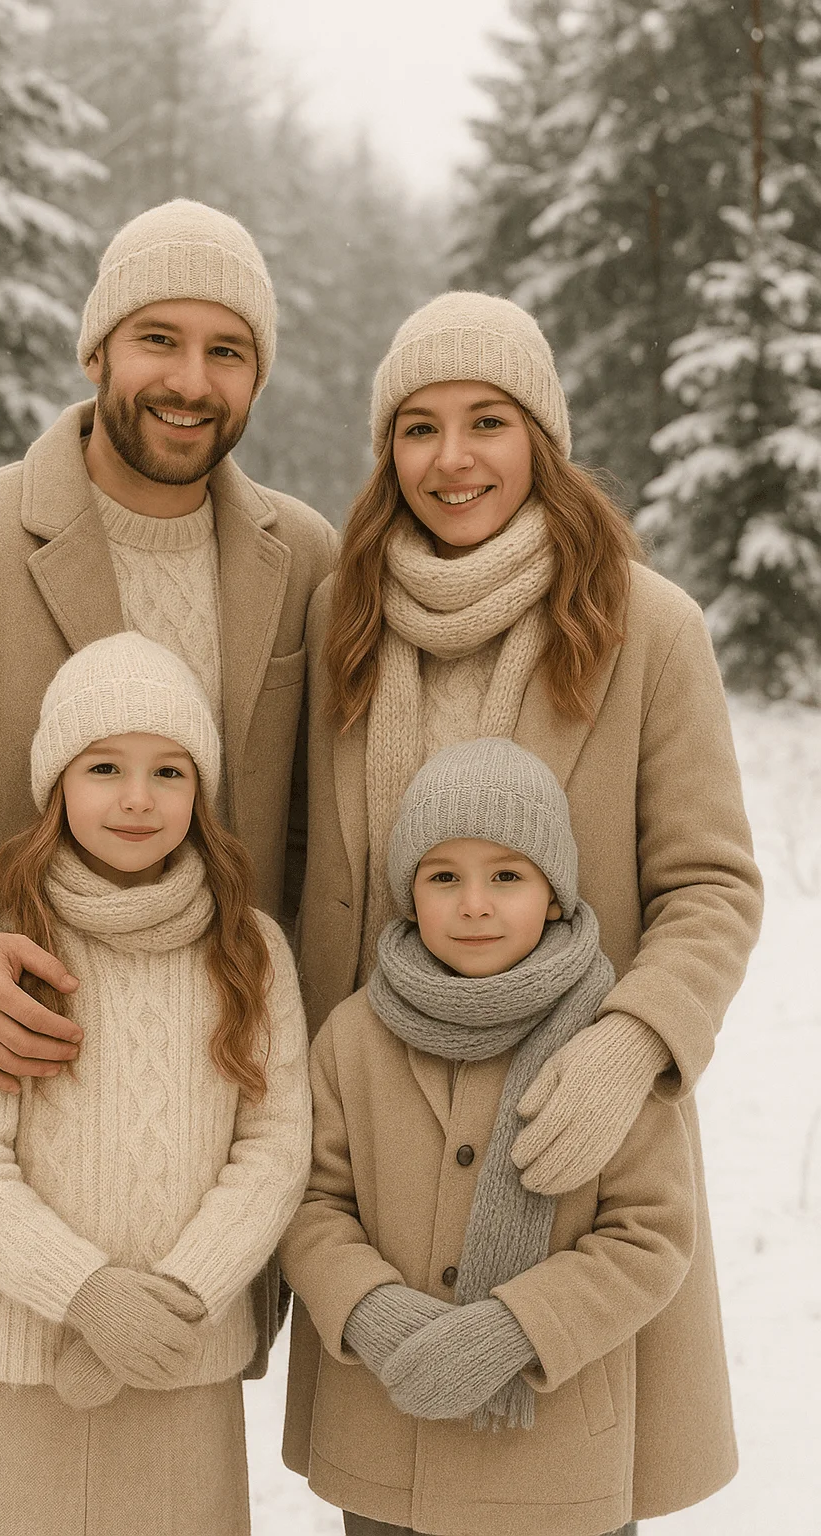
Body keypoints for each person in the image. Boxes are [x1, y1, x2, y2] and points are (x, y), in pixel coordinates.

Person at [0, 198, 335, 1536]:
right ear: (97, 349)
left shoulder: (307, 562)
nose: (191, 380)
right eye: (160, 338)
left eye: (229, 351)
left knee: (173, 1467)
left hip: (197, 1137)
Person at [289, 293, 763, 1520]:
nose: (452, 460)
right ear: (385, 453)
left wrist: (634, 1044)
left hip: (572, 1157)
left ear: (541, 439)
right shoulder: (340, 621)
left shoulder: (648, 631)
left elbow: (710, 883)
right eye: (418, 428)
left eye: (487, 422)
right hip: (383, 1157)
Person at [0, 631, 311, 1536]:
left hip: (181, 1366)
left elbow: (275, 1148)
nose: (137, 800)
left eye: (169, 773)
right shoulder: (7, 950)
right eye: (104, 769)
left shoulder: (250, 953)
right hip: (15, 1372)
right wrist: (85, 1292)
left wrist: (181, 1298)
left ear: (201, 792)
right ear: (57, 785)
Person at [281, 737, 692, 1535]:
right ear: (409, 895)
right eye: (444, 877)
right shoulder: (353, 1038)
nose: (475, 903)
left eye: (507, 875)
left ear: (554, 893)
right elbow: (307, 1200)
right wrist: (369, 1309)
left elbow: (651, 1234)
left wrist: (516, 1327)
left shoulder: (605, 1049)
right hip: (384, 1439)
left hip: (555, 1457)